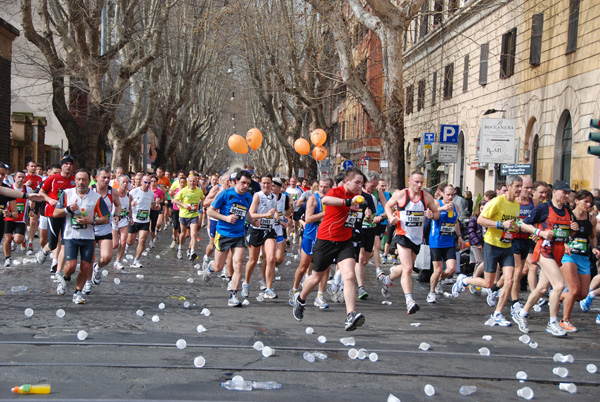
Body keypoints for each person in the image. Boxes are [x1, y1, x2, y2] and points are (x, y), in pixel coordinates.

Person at [292, 168, 368, 331]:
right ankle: (301, 300)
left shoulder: (360, 198)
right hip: (326, 240)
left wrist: (365, 216)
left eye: (362, 183)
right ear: (347, 181)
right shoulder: (337, 191)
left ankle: (350, 315)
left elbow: (356, 217)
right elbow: (326, 201)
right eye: (357, 182)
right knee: (316, 277)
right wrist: (348, 203)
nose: (360, 186)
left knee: (348, 275)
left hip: (344, 241)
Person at [453, 175, 523, 328]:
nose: (519, 189)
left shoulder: (516, 205)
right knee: (488, 282)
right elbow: (480, 220)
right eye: (517, 186)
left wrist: (516, 227)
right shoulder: (497, 202)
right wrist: (500, 224)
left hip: (507, 246)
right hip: (492, 245)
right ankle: (464, 280)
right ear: (509, 186)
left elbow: (514, 225)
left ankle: (497, 314)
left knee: (509, 280)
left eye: (521, 186)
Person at [511, 181, 577, 336]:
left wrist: (573, 230)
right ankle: (553, 322)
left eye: (568, 193)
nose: (567, 196)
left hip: (558, 251)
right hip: (544, 250)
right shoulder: (543, 208)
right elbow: (522, 224)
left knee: (541, 288)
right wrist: (540, 233)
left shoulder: (567, 210)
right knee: (559, 285)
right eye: (564, 192)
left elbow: (567, 233)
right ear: (554, 192)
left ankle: (521, 315)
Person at [379, 171, 444, 315]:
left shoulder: (426, 197)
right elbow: (388, 206)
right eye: (416, 182)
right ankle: (409, 301)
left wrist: (432, 215)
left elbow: (437, 213)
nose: (419, 185)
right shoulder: (401, 194)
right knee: (408, 268)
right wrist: (390, 218)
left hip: (417, 238)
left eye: (422, 182)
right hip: (403, 235)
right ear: (410, 181)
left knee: (405, 267)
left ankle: (387, 279)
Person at [53, 169, 110, 304]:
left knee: (85, 267)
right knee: (71, 266)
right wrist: (68, 210)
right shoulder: (67, 194)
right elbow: (55, 213)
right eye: (78, 179)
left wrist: (91, 221)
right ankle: (66, 279)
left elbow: (105, 218)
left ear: (89, 180)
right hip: (71, 236)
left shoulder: (96, 198)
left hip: (88, 238)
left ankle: (78, 292)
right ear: (75, 180)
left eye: (84, 179)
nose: (81, 182)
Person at [204, 170, 253, 307]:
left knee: (238, 264)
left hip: (239, 235)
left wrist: (252, 220)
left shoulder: (248, 197)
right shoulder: (226, 194)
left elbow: (246, 212)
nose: (245, 186)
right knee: (219, 267)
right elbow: (210, 210)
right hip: (223, 234)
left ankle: (233, 296)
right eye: (243, 182)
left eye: (248, 184)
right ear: (236, 181)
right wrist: (226, 218)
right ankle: (210, 267)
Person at [558, 190, 598, 331]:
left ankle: (557, 297)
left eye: (590, 202)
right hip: (568, 255)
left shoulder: (591, 218)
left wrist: (594, 248)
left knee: (582, 295)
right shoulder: (568, 216)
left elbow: (592, 237)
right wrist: (564, 244)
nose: (588, 204)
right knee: (574, 289)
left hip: (583, 256)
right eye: (585, 201)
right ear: (576, 201)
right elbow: (559, 233)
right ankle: (565, 320)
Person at [289, 177, 333, 309]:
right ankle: (295, 290)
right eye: (321, 186)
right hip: (311, 234)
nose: (322, 189)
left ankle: (319, 296)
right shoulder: (314, 199)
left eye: (325, 187)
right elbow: (308, 218)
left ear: (330, 188)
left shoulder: (333, 200)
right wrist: (325, 213)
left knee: (326, 267)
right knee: (304, 265)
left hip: (326, 236)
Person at [36, 156, 76, 277]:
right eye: (66, 164)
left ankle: (58, 271)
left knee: (65, 242)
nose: (68, 166)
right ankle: (44, 251)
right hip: (53, 213)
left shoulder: (75, 180)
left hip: (68, 214)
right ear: (62, 165)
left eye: (70, 164)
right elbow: (41, 192)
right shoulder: (53, 178)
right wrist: (49, 199)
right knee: (53, 243)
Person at [243, 174, 278, 299]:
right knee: (253, 260)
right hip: (256, 230)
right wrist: (265, 215)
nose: (266, 185)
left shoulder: (274, 196)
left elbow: (274, 212)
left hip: (269, 230)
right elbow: (251, 214)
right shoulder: (257, 196)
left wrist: (280, 220)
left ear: (271, 184)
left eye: (268, 183)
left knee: (271, 258)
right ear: (261, 184)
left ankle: (268, 288)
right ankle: (246, 283)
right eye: (264, 183)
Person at [427, 183, 463, 303]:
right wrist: (443, 208)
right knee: (437, 270)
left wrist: (459, 236)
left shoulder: (455, 206)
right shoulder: (437, 204)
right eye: (448, 195)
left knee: (452, 268)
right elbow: (432, 215)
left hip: (449, 241)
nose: (450, 197)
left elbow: (456, 222)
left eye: (452, 195)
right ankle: (431, 292)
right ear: (442, 193)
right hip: (436, 241)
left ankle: (437, 280)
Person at [88, 167, 120, 291]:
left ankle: (97, 268)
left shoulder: (113, 192)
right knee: (89, 258)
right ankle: (88, 282)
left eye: (108, 178)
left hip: (105, 228)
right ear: (96, 178)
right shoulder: (91, 190)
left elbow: (118, 205)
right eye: (104, 177)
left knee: (107, 257)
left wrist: (117, 215)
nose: (107, 180)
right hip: (90, 228)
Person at [354, 171, 380, 300]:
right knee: (359, 257)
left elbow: (371, 218)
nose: (373, 188)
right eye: (372, 185)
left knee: (364, 260)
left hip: (369, 229)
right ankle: (360, 287)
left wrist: (369, 217)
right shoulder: (349, 196)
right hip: (356, 231)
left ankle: (344, 274)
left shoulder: (369, 198)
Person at [202, 174, 230, 269]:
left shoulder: (232, 190)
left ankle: (225, 268)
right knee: (213, 244)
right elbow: (205, 202)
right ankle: (206, 257)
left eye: (230, 180)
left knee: (227, 245)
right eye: (227, 180)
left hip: (225, 220)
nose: (229, 183)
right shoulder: (216, 188)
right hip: (215, 219)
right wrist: (217, 199)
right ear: (221, 181)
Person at [3, 171, 31, 266]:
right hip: (9, 217)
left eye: (23, 177)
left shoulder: (28, 189)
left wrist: (32, 207)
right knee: (7, 238)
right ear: (14, 178)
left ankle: (18, 241)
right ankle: (7, 258)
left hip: (21, 219)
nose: (21, 179)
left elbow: (33, 201)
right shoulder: (9, 189)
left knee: (18, 239)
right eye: (19, 177)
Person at [173, 174, 204, 260]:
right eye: (190, 181)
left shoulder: (199, 191)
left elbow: (202, 198)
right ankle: (180, 247)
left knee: (193, 234)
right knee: (183, 234)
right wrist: (183, 205)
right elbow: (175, 200)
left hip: (194, 215)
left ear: (197, 182)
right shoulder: (183, 191)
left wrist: (202, 203)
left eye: (194, 181)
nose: (192, 183)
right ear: (188, 182)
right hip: (184, 215)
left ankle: (192, 251)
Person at [126, 174, 154, 268]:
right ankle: (127, 245)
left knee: (142, 240)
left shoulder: (151, 194)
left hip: (145, 220)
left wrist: (155, 206)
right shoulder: (133, 192)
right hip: (134, 219)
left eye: (148, 183)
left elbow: (152, 205)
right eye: (145, 182)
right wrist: (131, 204)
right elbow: (127, 204)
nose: (147, 184)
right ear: (141, 182)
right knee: (131, 241)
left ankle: (136, 260)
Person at [111, 175, 131, 270]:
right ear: (118, 183)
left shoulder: (128, 195)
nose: (125, 184)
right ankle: (105, 252)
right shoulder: (114, 194)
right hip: (114, 220)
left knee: (123, 242)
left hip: (124, 220)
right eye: (123, 182)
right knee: (115, 244)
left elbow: (129, 208)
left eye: (127, 182)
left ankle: (117, 261)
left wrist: (131, 217)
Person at [24, 160, 42, 253]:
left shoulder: (40, 178)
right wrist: (25, 185)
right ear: (27, 167)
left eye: (35, 166)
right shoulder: (24, 177)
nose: (34, 168)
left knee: (33, 221)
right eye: (32, 166)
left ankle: (30, 242)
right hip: (24, 200)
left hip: (35, 201)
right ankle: (23, 239)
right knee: (24, 222)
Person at [148, 175, 165, 248]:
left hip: (155, 209)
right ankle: (148, 237)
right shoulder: (147, 189)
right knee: (148, 224)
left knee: (153, 225)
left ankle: (152, 239)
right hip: (147, 209)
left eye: (155, 181)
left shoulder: (159, 191)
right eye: (151, 181)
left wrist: (159, 202)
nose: (153, 183)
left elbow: (162, 199)